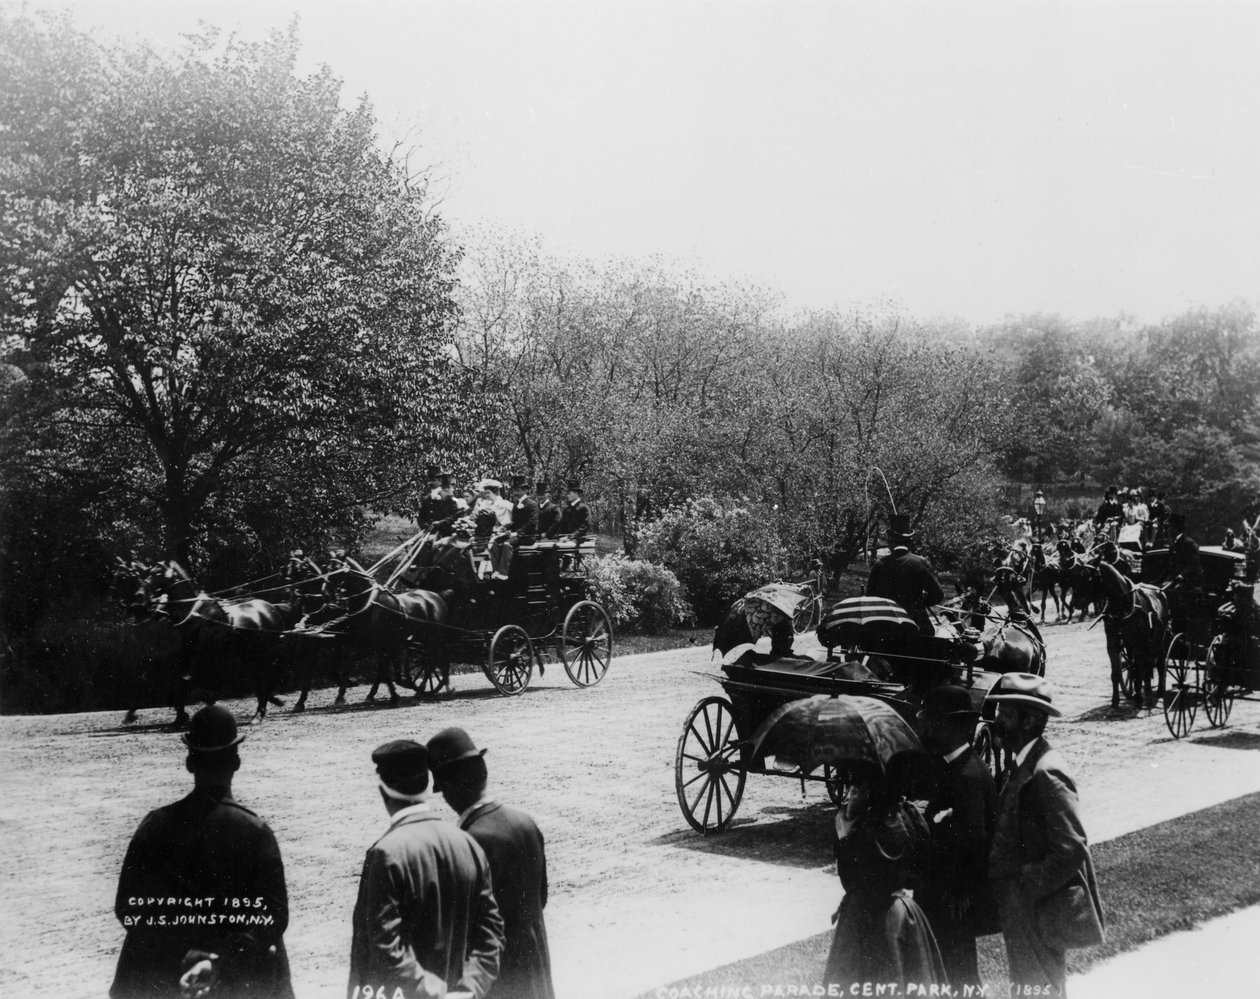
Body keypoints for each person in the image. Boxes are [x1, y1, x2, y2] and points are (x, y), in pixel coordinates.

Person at [111, 705, 294, 999]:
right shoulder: (255, 832)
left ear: (189, 763)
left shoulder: (155, 826)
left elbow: (129, 908)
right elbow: (274, 916)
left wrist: (184, 951)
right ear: (236, 761)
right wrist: (217, 958)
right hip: (237, 982)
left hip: (165, 979)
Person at [347, 740, 504, 999]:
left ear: (384, 792)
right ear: (428, 788)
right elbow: (492, 932)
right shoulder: (466, 843)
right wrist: (470, 989)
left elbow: (384, 942)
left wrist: (435, 993)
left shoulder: (385, 853)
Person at [988, 674, 1105, 996]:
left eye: (1005, 715)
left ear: (1030, 721)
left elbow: (1072, 846)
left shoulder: (1046, 771)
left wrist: (1027, 884)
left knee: (1040, 988)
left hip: (1037, 907)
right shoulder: (1025, 763)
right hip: (1024, 907)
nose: (996, 721)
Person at [427, 728, 555, 999]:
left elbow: (461, 931)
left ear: (447, 788)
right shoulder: (524, 822)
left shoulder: (468, 842)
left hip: (496, 982)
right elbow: (541, 897)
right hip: (537, 974)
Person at [822, 753, 947, 991]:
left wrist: (845, 830)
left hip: (868, 917)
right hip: (904, 912)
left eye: (857, 783)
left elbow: (851, 880)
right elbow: (922, 864)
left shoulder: (863, 827)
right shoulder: (908, 813)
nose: (852, 790)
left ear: (868, 786)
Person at [915, 686, 997, 991]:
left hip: (951, 901)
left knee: (958, 976)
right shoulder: (958, 767)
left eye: (930, 721)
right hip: (947, 897)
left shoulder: (967, 778)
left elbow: (976, 841)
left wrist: (961, 891)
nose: (924, 728)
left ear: (949, 726)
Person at [865, 513, 945, 635]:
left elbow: (870, 597)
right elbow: (938, 595)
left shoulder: (879, 565)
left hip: (884, 626)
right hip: (915, 625)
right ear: (910, 541)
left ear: (891, 541)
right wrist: (919, 603)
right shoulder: (921, 563)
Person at [489, 476, 539, 580]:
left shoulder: (532, 504)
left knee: (507, 543)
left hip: (528, 536)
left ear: (525, 490)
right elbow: (515, 522)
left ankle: (503, 573)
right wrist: (506, 528)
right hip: (516, 535)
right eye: (514, 490)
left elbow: (532, 523)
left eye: (517, 490)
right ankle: (496, 570)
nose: (515, 493)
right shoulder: (516, 504)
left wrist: (517, 533)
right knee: (495, 542)